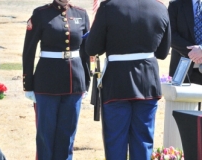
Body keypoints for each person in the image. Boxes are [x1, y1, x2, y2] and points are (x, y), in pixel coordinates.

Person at [85, 0, 171, 159]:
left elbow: (92, 48)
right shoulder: (159, 7)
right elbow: (163, 52)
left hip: (116, 84)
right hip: (148, 82)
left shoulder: (108, 7)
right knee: (143, 141)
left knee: (115, 142)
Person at [22, 0, 90, 159]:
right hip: (46, 84)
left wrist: (86, 82)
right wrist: (28, 85)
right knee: (46, 135)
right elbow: (29, 51)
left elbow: (86, 52)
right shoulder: (40, 14)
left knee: (67, 136)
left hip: (74, 83)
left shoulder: (81, 14)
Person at [168, 0, 202, 85]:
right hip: (182, 68)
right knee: (181, 98)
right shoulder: (175, 5)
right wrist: (194, 52)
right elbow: (169, 34)